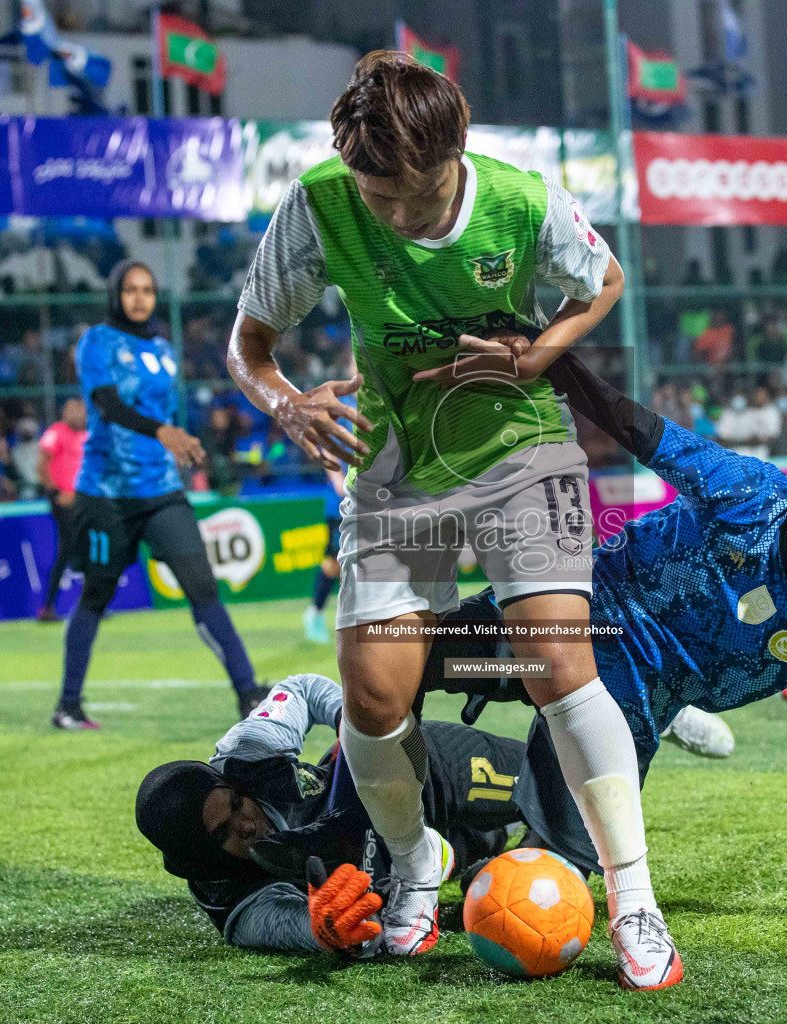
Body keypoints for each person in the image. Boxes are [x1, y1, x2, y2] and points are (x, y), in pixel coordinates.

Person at [298, 354, 787, 959]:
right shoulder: (750, 494)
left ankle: (474, 866)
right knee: (403, 659)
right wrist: (545, 356)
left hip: (632, 706)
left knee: (558, 884)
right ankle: (345, 849)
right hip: (570, 616)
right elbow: (630, 422)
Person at [226, 51, 677, 987]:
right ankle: (415, 862)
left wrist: (534, 354)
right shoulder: (316, 202)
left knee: (561, 665)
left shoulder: (524, 202)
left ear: (455, 151)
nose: (392, 213)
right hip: (394, 466)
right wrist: (283, 401)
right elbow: (250, 344)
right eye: (375, 193)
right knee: (377, 699)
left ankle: (634, 895)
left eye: (413, 194)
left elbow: (605, 281)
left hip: (520, 447)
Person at [135, 673, 734, 953]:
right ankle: (478, 848)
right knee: (509, 881)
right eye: (227, 831)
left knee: (566, 790)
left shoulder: (245, 753)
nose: (248, 821)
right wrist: (328, 933)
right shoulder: (236, 905)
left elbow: (305, 687)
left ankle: (631, 707)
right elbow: (320, 934)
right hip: (407, 867)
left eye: (236, 804)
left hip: (420, 772)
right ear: (201, 855)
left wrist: (365, 729)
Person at [56, 260, 262, 731]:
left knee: (203, 588)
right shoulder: (97, 342)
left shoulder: (166, 351)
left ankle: (248, 693)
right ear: (116, 293)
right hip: (106, 494)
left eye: (147, 289)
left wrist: (177, 445)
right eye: (130, 289)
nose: (139, 298)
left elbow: (163, 413)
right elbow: (107, 404)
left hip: (161, 491)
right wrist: (164, 431)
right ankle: (67, 704)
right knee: (96, 596)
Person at [36, 397, 88, 623]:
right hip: (63, 500)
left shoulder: (87, 435)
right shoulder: (55, 433)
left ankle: (89, 605)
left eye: (80, 410)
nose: (77, 414)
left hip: (83, 500)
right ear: (64, 412)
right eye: (72, 410)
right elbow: (41, 464)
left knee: (83, 548)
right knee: (69, 548)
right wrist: (55, 493)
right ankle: (48, 607)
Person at [303, 461, 346, 644]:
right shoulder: (340, 432)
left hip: (365, 507)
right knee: (334, 564)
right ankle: (315, 612)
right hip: (340, 510)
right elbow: (338, 482)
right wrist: (338, 479)